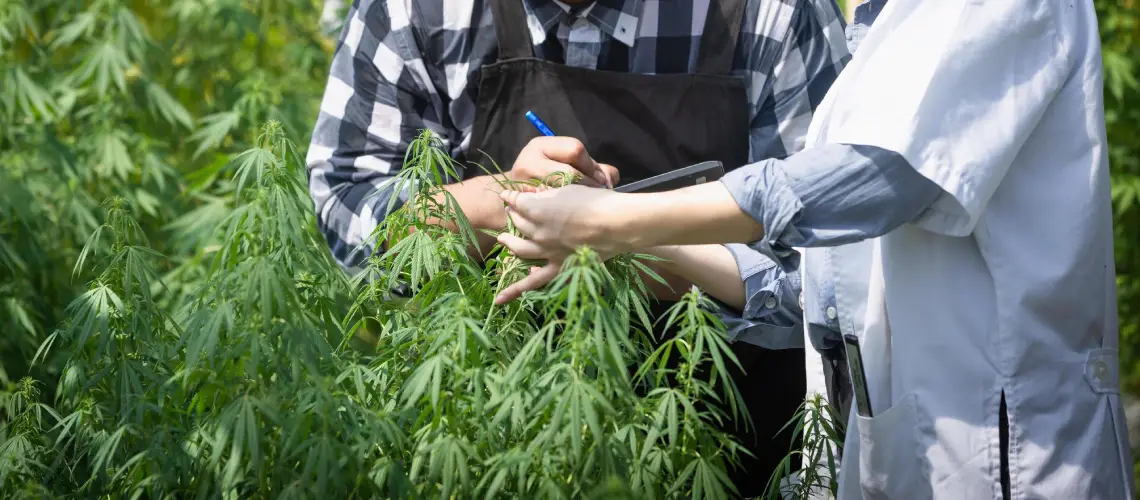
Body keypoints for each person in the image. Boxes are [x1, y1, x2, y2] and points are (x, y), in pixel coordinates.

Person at [492, 0, 1137, 498]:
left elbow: (877, 181)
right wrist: (620, 243)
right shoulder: (885, 29)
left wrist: (620, 221)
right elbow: (811, 281)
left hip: (1011, 455)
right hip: (912, 450)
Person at [305, 0, 851, 495]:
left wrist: (622, 235)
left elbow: (834, 270)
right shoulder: (417, 13)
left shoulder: (769, 13)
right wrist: (501, 201)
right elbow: (348, 212)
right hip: (492, 445)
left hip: (721, 447)